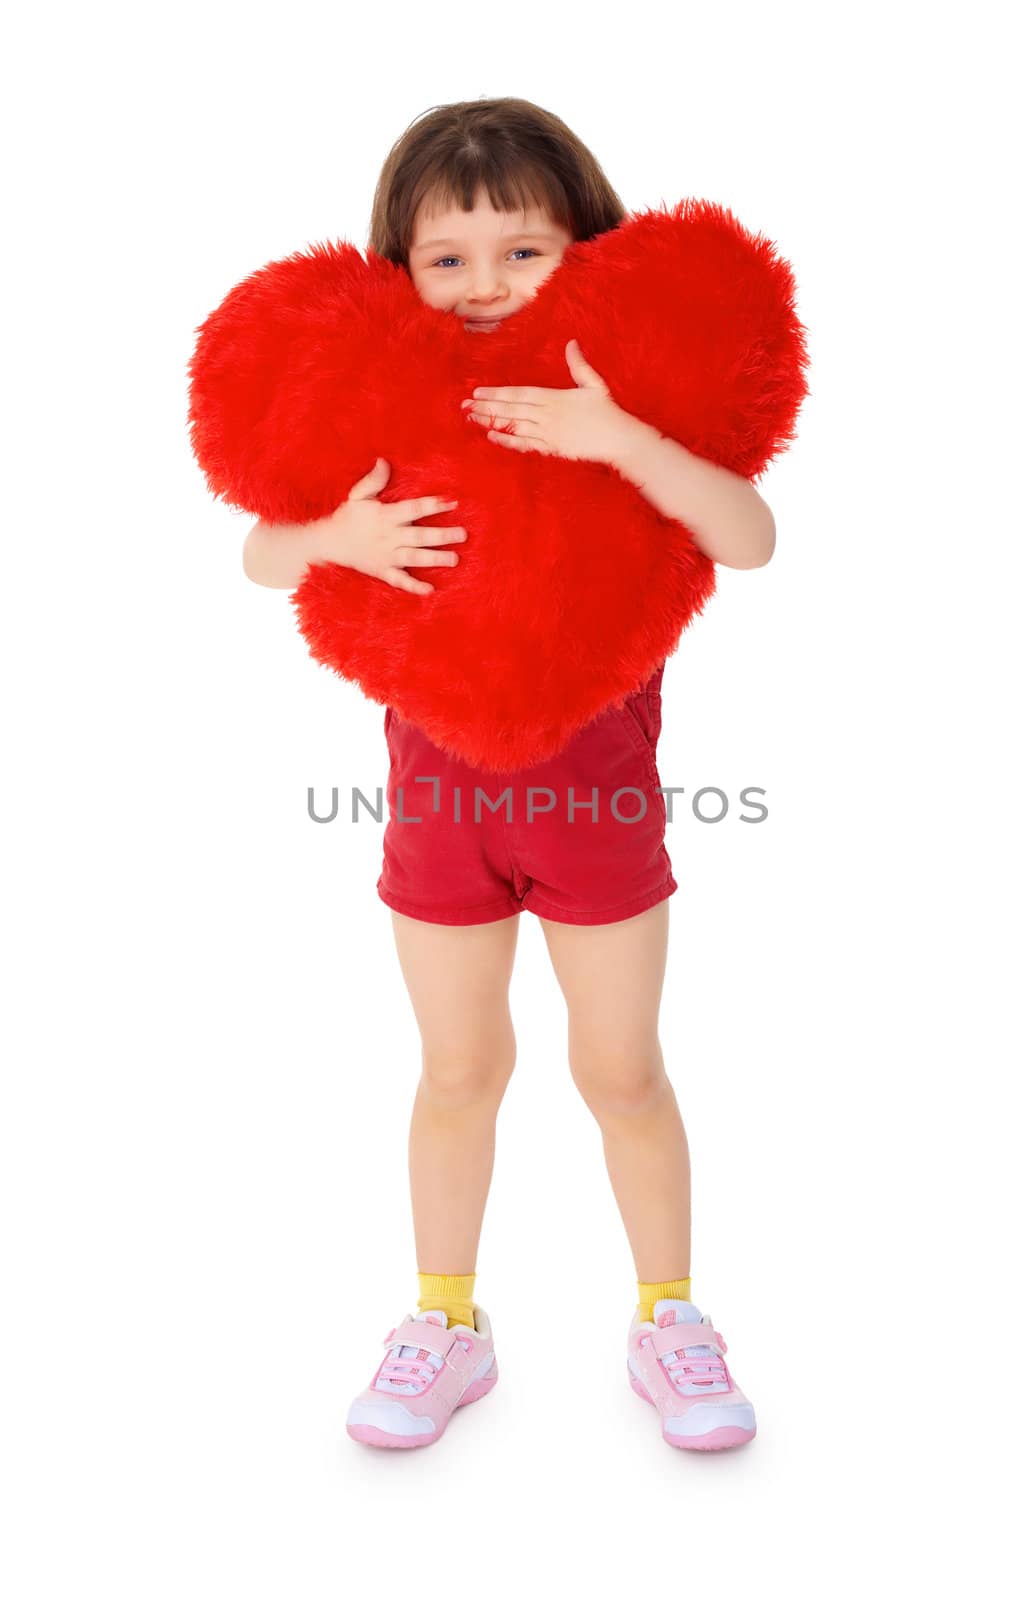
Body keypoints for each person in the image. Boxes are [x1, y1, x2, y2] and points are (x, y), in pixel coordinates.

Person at [242, 97, 776, 1453]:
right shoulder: (391, 416)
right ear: (400, 271)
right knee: (459, 1069)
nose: (486, 285)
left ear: (584, 252)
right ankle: (444, 1322)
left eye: (523, 253)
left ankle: (672, 1318)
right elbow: (262, 553)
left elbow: (750, 534)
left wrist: (624, 444)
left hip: (599, 817)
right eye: (450, 259)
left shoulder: (616, 414)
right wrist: (339, 533)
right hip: (437, 822)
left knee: (621, 1072)